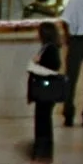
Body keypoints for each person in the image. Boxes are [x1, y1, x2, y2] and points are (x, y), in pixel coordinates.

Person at [27, 21, 63, 149]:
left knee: (43, 121)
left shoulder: (50, 49)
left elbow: (52, 68)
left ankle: (43, 149)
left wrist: (34, 64)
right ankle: (41, 147)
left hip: (45, 91)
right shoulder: (46, 47)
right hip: (42, 91)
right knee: (41, 120)